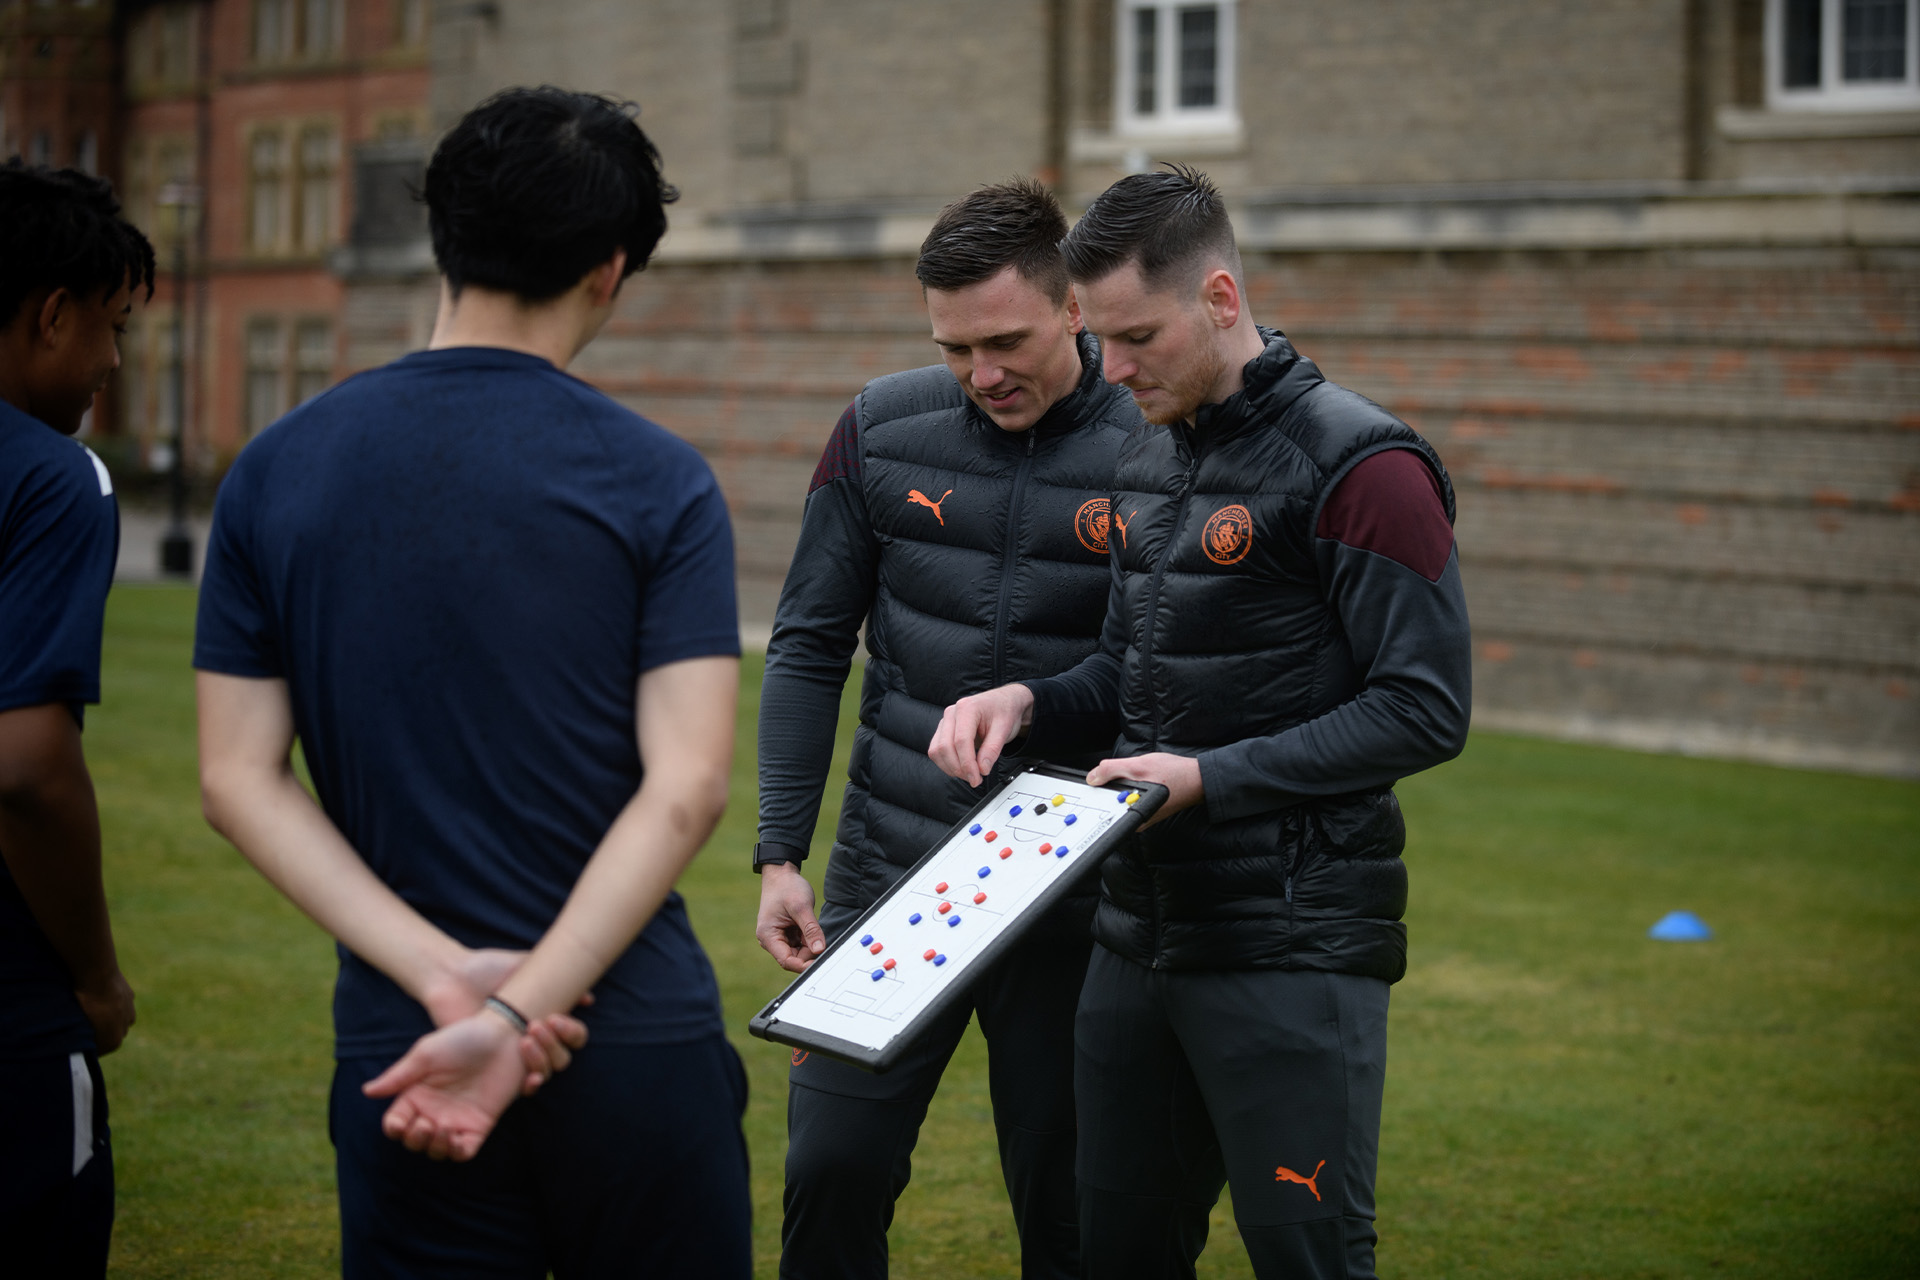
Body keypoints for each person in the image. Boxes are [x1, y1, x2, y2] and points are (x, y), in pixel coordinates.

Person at [194, 88, 750, 1278]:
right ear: (610, 270)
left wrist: (453, 987)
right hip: (625, 1034)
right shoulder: (658, 480)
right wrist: (512, 1010)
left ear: (443, 231)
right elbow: (689, 784)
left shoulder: (274, 470)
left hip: (408, 1041)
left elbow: (238, 780)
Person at [928, 165, 1472, 1280]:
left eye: (1135, 336)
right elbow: (1131, 676)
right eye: (1098, 336)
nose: (1111, 368)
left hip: (1291, 943)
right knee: (1114, 1254)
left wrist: (1208, 780)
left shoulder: (1366, 465)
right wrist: (1026, 699)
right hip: (1133, 940)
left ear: (1221, 300)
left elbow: (1425, 708)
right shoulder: (1147, 455)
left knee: (1307, 1253)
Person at [754, 178, 1141, 1279]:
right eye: (957, 347)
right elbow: (808, 641)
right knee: (830, 1169)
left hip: (1072, 895)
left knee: (1069, 1215)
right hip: (891, 873)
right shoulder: (881, 425)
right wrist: (781, 847)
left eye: (1007, 340)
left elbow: (1153, 669)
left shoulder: (1153, 438)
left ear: (1075, 306)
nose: (983, 374)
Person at [0, 160, 153, 1278]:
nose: (109, 364)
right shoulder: (54, 478)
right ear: (52, 313)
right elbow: (26, 766)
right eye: (108, 327)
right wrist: (94, 980)